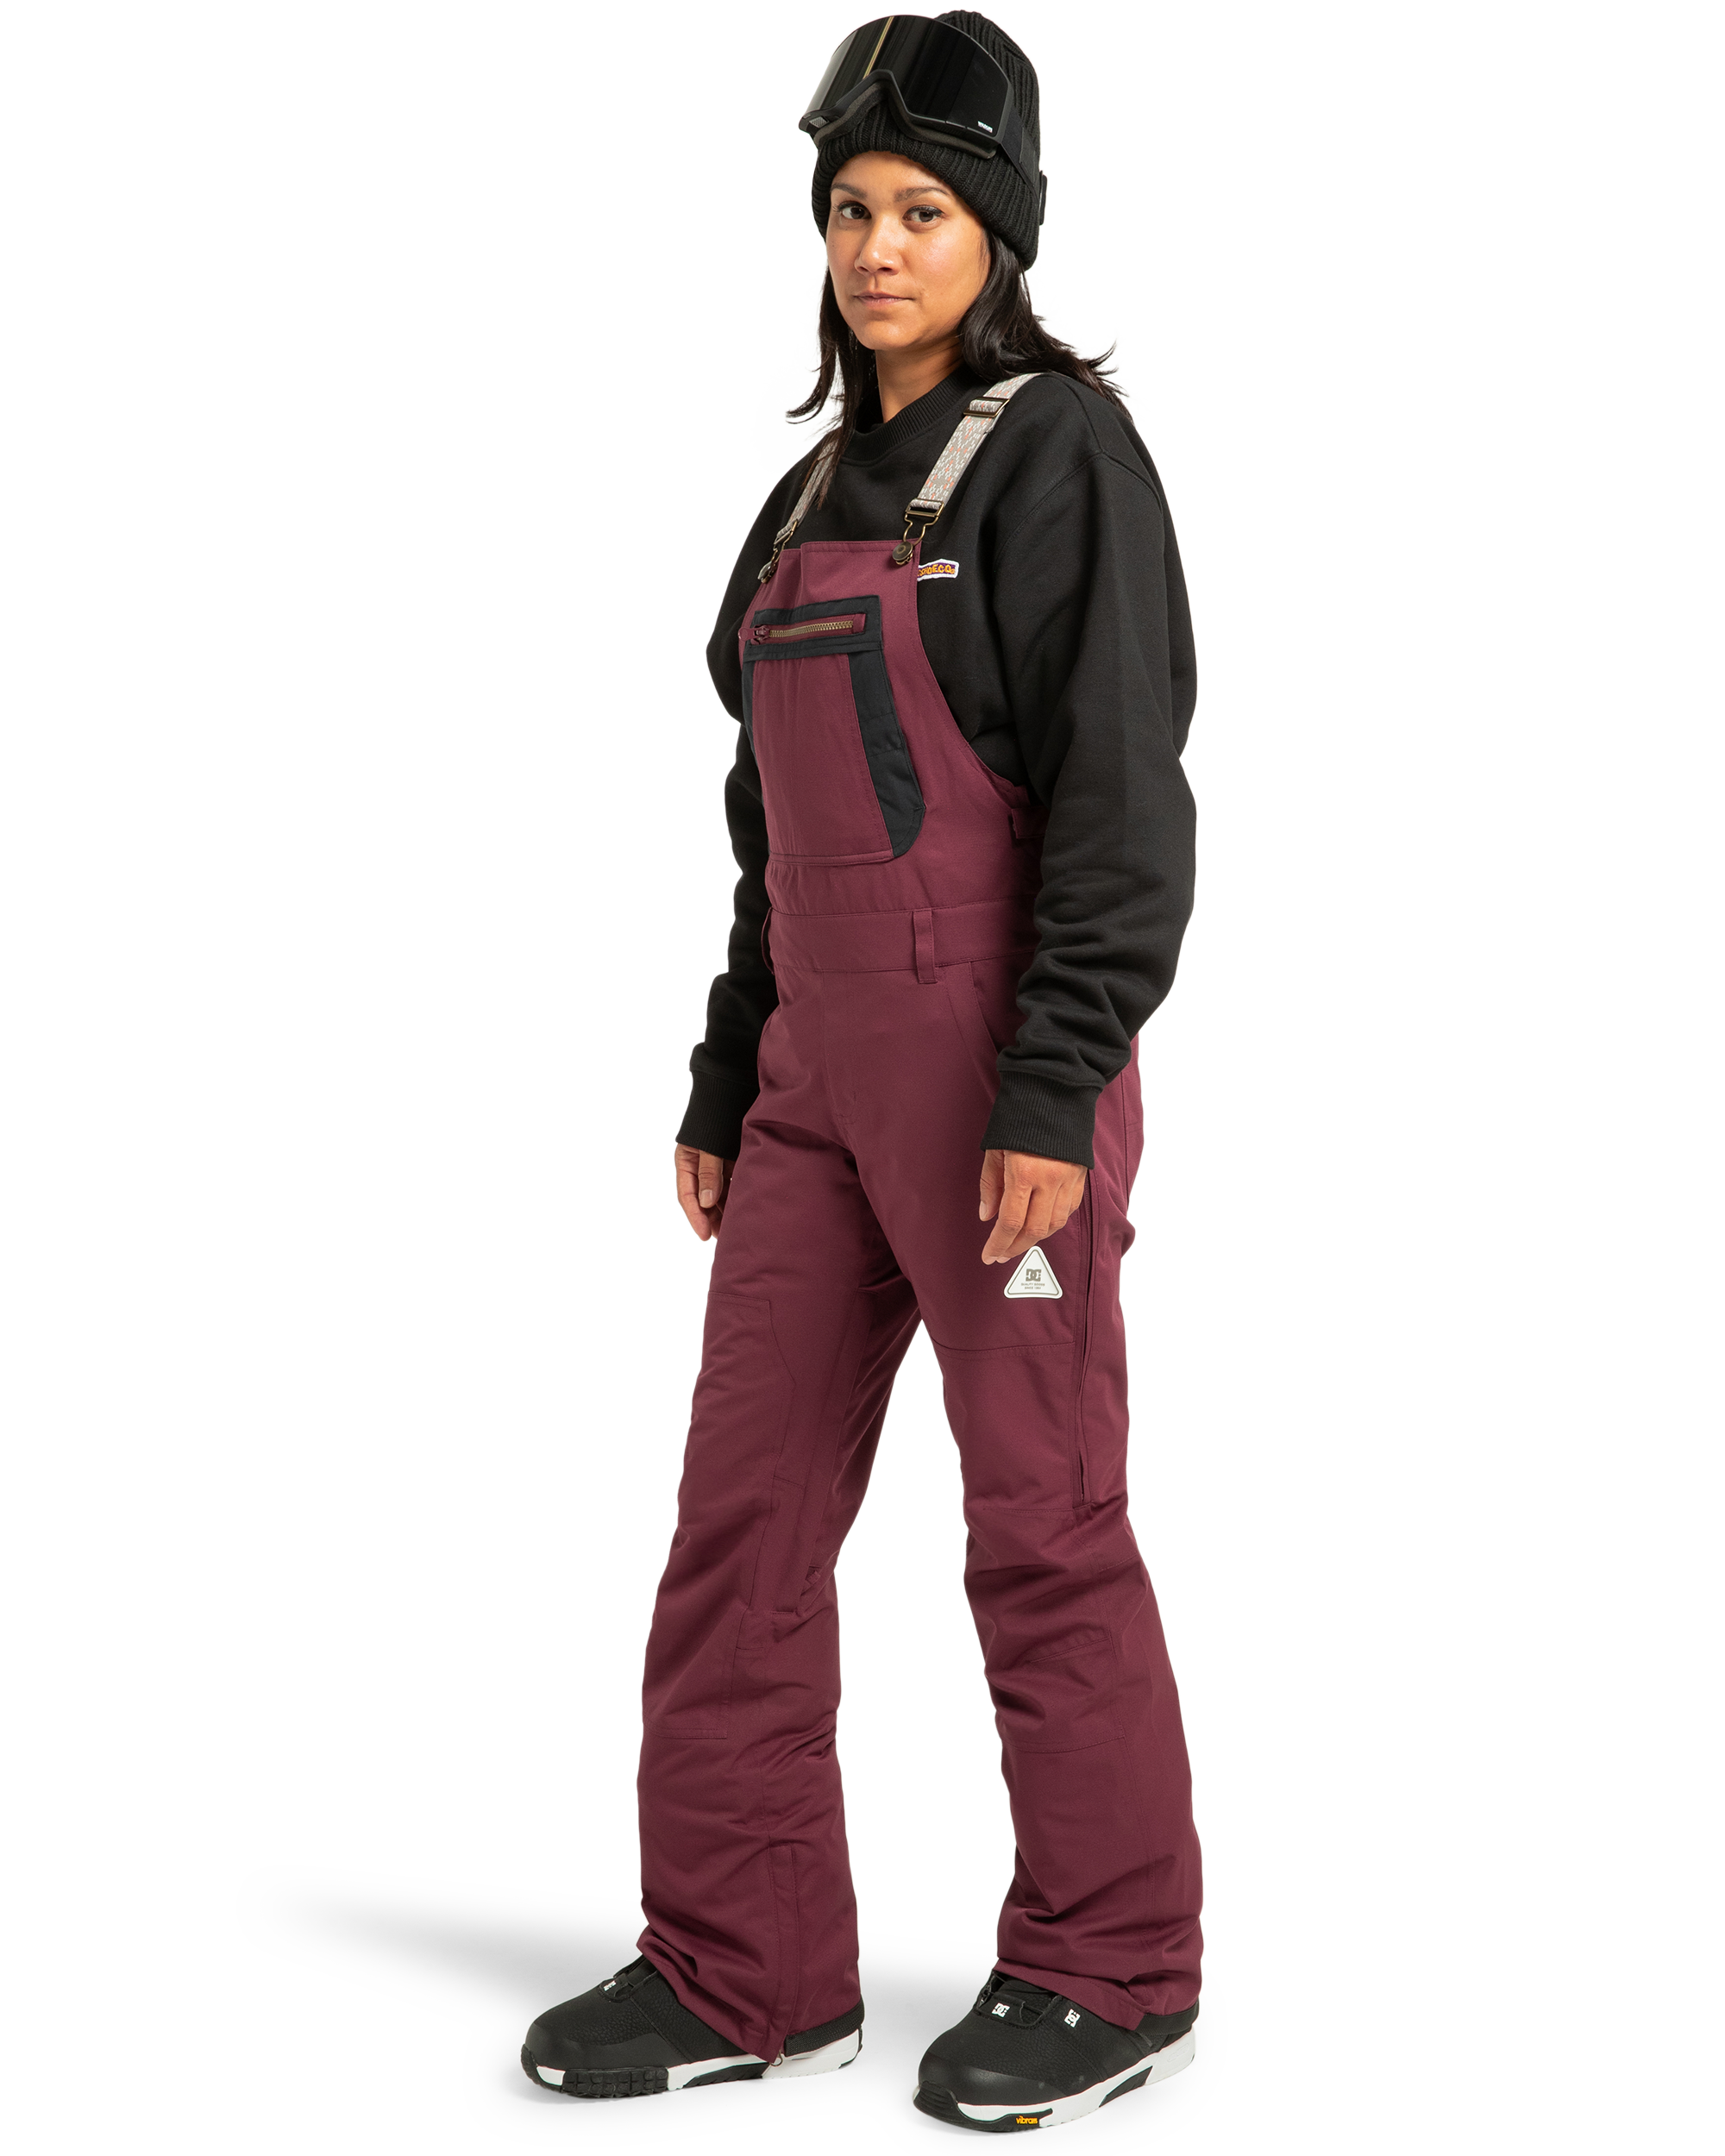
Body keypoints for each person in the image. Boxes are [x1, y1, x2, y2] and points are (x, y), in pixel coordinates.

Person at [521, 13, 1205, 2134]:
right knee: (738, 1514)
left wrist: (1049, 1088)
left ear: (998, 233)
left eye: (920, 209)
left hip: (999, 1073)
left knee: (1040, 1523)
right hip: (817, 1072)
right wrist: (728, 1069)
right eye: (847, 209)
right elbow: (771, 829)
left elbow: (1121, 808)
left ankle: (1110, 1965)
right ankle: (743, 1959)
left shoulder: (1058, 458)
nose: (876, 247)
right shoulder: (810, 493)